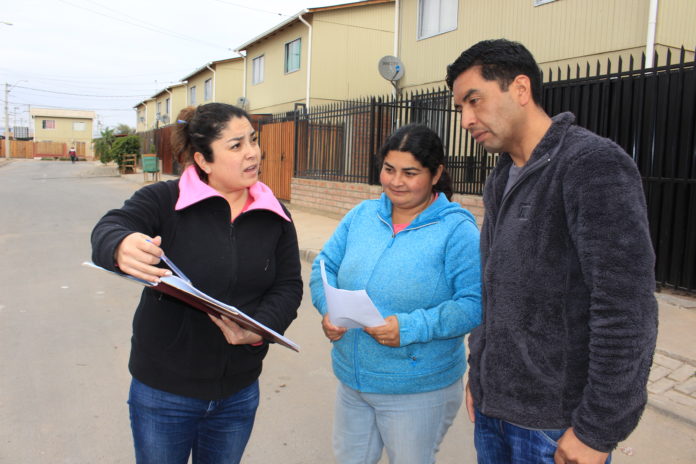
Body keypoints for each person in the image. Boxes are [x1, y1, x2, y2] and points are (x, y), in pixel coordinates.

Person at [445, 39, 658, 464]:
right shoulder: (501, 177)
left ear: (520, 89)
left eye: (474, 101)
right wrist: (480, 371)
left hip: (554, 426)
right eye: (460, 109)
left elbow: (626, 310)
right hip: (494, 411)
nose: (467, 120)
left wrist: (597, 431)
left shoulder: (591, 164)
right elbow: (494, 290)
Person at [90, 102, 303, 464]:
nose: (252, 152)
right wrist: (119, 245)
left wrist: (260, 329)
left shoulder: (275, 213)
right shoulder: (164, 200)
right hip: (163, 393)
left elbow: (288, 285)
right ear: (204, 161)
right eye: (236, 146)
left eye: (253, 140)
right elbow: (110, 227)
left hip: (237, 391)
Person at [310, 123, 482, 464]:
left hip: (417, 388)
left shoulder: (456, 230)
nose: (395, 181)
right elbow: (323, 266)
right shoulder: (361, 215)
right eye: (389, 169)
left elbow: (473, 305)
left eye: (410, 172)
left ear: (436, 174)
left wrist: (410, 327)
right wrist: (328, 308)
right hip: (353, 380)